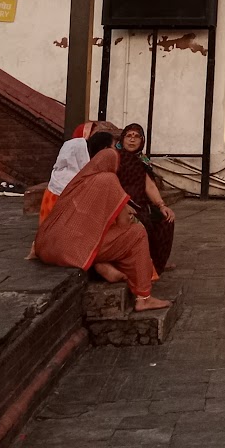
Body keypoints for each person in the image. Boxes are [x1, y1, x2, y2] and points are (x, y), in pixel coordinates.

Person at [32, 146, 170, 311]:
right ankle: (144, 298)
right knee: (137, 233)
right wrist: (125, 211)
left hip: (47, 247)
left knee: (100, 233)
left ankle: (104, 265)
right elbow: (124, 224)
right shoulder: (109, 180)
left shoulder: (78, 181)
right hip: (72, 250)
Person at [116, 123, 177, 272]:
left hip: (142, 204)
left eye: (136, 136)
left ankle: (157, 263)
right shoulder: (115, 158)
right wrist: (122, 205)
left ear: (142, 141)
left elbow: (149, 186)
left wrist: (162, 205)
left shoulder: (142, 160)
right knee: (143, 223)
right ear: (122, 139)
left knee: (165, 220)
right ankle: (140, 265)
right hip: (122, 205)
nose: (132, 140)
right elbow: (111, 184)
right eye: (129, 136)